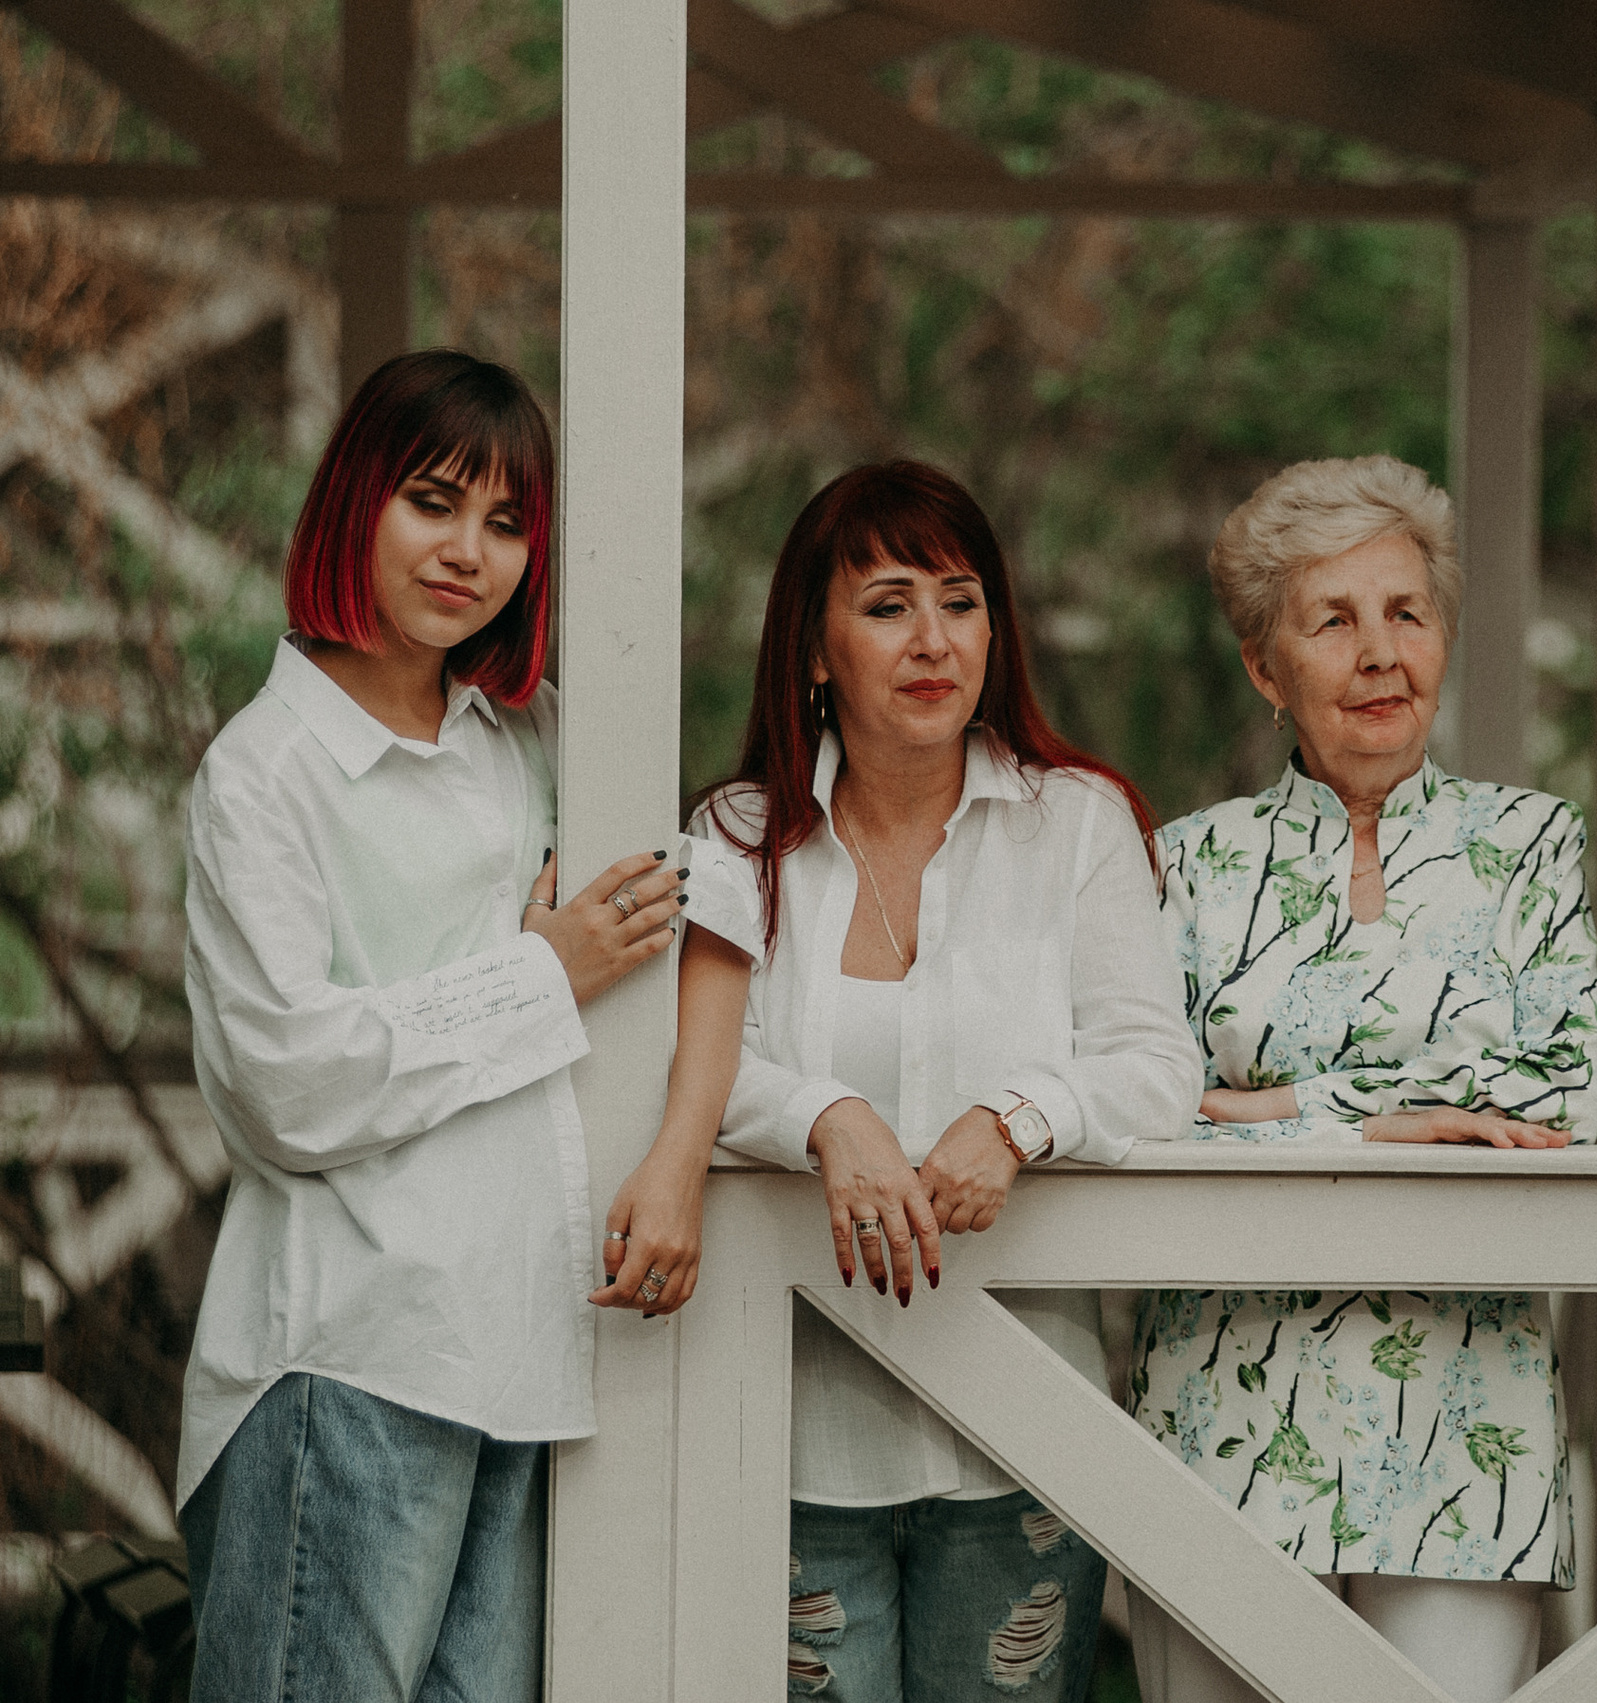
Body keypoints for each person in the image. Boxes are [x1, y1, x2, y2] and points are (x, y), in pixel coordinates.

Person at [606, 460, 1197, 1702]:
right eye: (887, 605)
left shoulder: (1076, 822)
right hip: (792, 1432)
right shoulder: (736, 835)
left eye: (960, 601)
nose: (933, 638)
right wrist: (826, 1115)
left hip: (1026, 1434)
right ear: (814, 649)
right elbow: (694, 1065)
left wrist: (1017, 1119)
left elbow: (1153, 1066)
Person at [178, 350, 685, 1701]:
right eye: (433, 501)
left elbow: (685, 915)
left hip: (525, 1357)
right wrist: (537, 972)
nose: (469, 551)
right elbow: (287, 1080)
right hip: (349, 1352)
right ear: (356, 500)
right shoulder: (264, 773)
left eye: (508, 522)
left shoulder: (532, 741)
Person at [1125, 456, 1597, 1703]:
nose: (1380, 652)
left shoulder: (1531, 844)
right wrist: (1408, 1114)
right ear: (1264, 666)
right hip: (1223, 1407)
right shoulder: (1187, 864)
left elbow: (1560, 1088)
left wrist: (1285, 1105)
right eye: (1332, 620)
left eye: (1406, 612)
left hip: (1467, 1414)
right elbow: (1139, 1109)